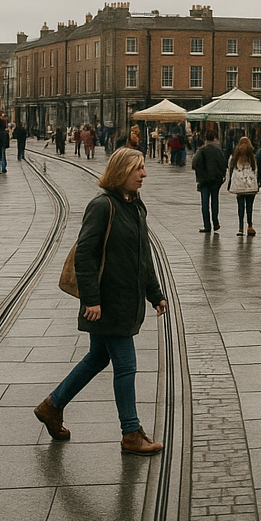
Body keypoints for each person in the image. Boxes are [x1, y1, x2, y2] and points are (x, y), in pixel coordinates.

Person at [34, 148, 167, 455]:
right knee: (126, 365)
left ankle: (52, 406)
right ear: (121, 172)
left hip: (125, 300)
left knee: (97, 358)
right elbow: (85, 254)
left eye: (144, 168)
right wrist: (91, 300)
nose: (144, 174)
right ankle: (131, 432)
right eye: (138, 169)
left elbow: (142, 256)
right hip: (106, 304)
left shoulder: (135, 206)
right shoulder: (102, 206)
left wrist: (155, 293)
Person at [191, 129, 227, 234]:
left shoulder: (201, 150)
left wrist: (200, 174)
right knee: (215, 201)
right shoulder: (218, 150)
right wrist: (222, 175)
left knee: (205, 203)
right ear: (214, 138)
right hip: (216, 180)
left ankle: (207, 226)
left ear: (205, 139)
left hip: (204, 180)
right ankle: (215, 222)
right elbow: (223, 164)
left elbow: (194, 164)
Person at [226, 136, 259, 235]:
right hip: (250, 185)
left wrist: (230, 183)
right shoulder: (253, 157)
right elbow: (256, 170)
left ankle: (240, 228)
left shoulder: (234, 157)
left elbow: (230, 169)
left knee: (241, 207)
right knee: (249, 207)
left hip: (239, 185)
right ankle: (250, 226)